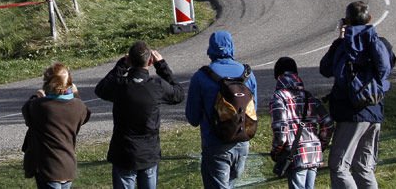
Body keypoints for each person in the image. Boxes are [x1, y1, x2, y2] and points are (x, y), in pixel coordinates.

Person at [318, 1, 395, 189]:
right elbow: (388, 66)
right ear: (370, 19)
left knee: (339, 166)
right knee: (363, 167)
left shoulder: (343, 45)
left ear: (347, 21)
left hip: (351, 113)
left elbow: (325, 68)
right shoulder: (380, 43)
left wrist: (339, 39)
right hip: (374, 108)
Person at [95, 42, 184, 189]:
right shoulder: (156, 86)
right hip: (148, 152)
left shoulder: (120, 85)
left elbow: (101, 89)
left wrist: (121, 65)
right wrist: (161, 65)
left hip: (124, 151)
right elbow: (178, 94)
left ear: (130, 60)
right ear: (150, 61)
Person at [185, 31, 258, 189]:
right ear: (231, 46)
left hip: (215, 143)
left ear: (210, 49)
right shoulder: (248, 75)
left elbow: (192, 118)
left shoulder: (201, 77)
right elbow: (253, 110)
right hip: (242, 142)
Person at [22, 63, 91, 189]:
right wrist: (76, 94)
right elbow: (85, 114)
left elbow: (27, 112)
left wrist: (36, 97)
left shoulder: (40, 106)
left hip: (48, 166)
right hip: (68, 165)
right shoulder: (78, 107)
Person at [269, 57, 333, 189]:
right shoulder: (309, 96)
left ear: (278, 76)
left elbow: (281, 131)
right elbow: (328, 122)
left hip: (295, 154)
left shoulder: (279, 97)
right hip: (314, 153)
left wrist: (276, 151)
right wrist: (320, 145)